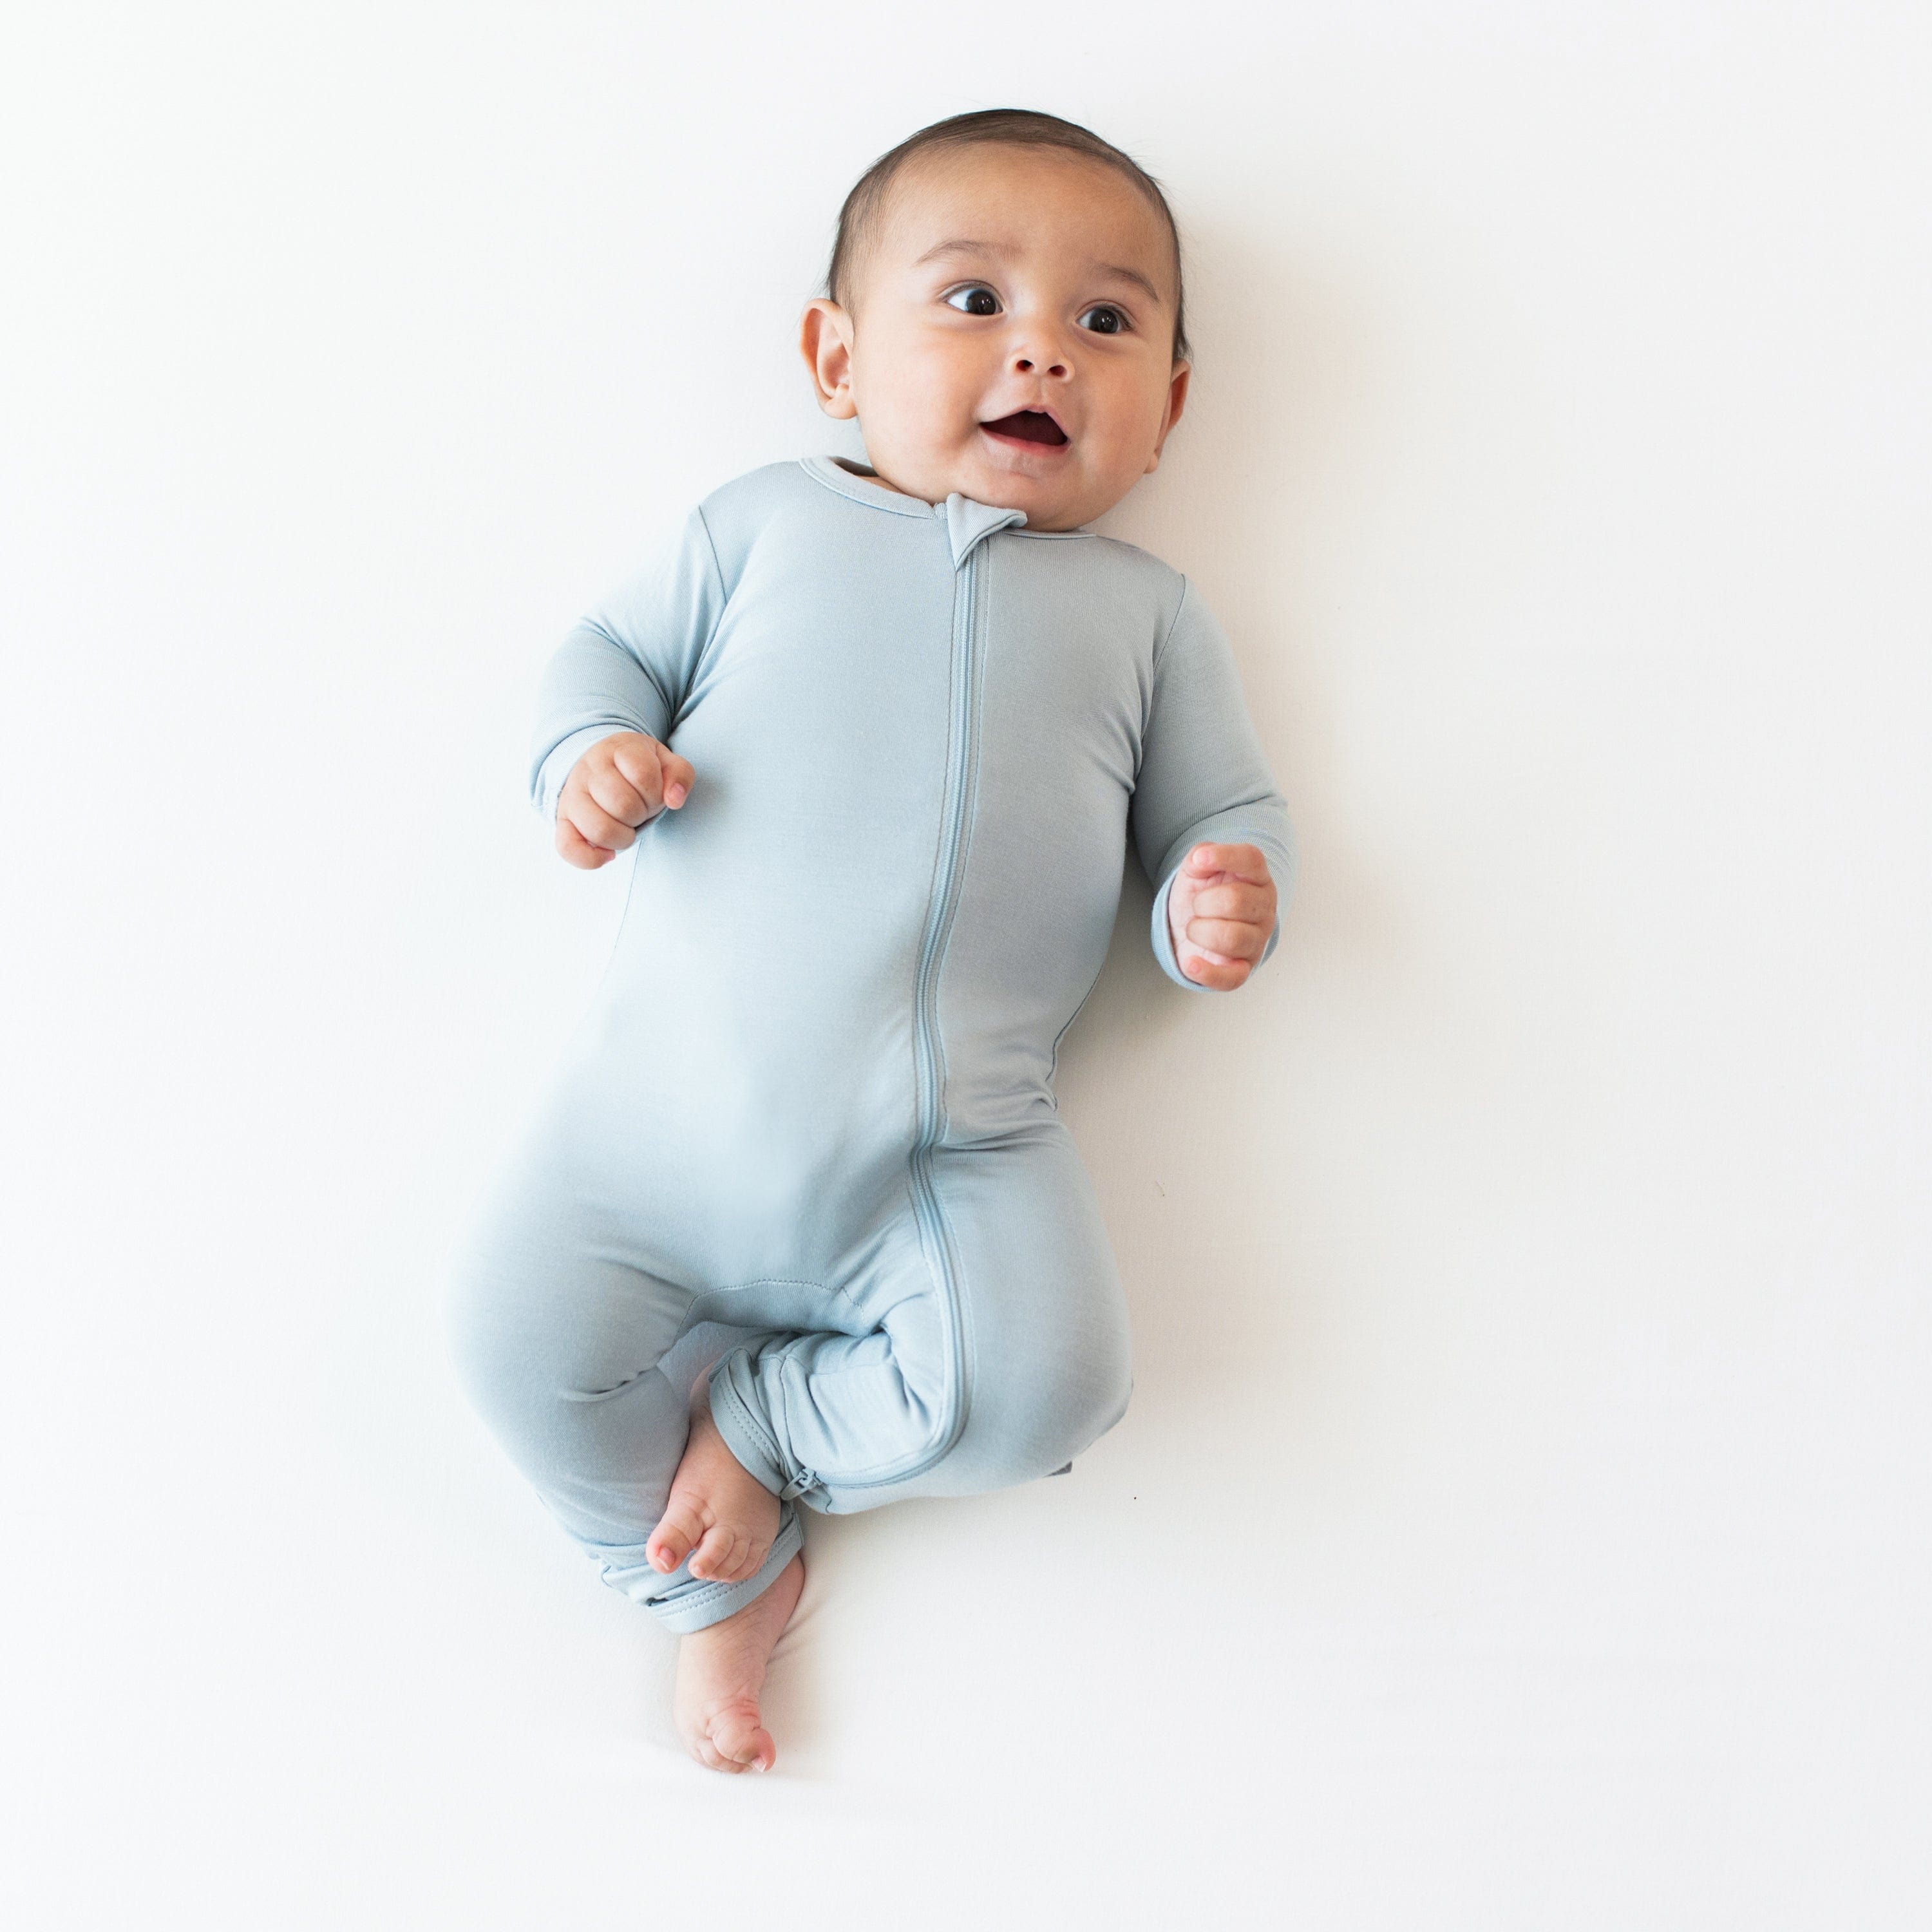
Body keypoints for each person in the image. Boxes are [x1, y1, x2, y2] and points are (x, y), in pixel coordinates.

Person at [445, 108, 1297, 1776]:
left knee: (1049, 1387)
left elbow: (1227, 807)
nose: (1041, 349)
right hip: (649, 1133)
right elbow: (601, 655)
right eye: (972, 300)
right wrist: (589, 752)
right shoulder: (759, 528)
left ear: (1170, 409)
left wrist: (1220, 887)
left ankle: (772, 1433)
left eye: (1105, 321)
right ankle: (701, 1590)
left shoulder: (1144, 619)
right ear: (838, 354)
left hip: (947, 1154)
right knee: (508, 1343)